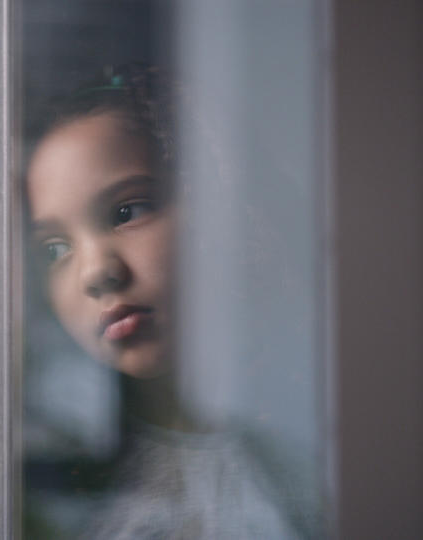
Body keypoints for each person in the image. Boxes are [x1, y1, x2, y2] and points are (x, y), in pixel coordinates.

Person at [25, 65, 316, 538]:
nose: (97, 273)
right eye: (56, 249)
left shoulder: (311, 464)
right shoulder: (45, 489)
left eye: (129, 211)